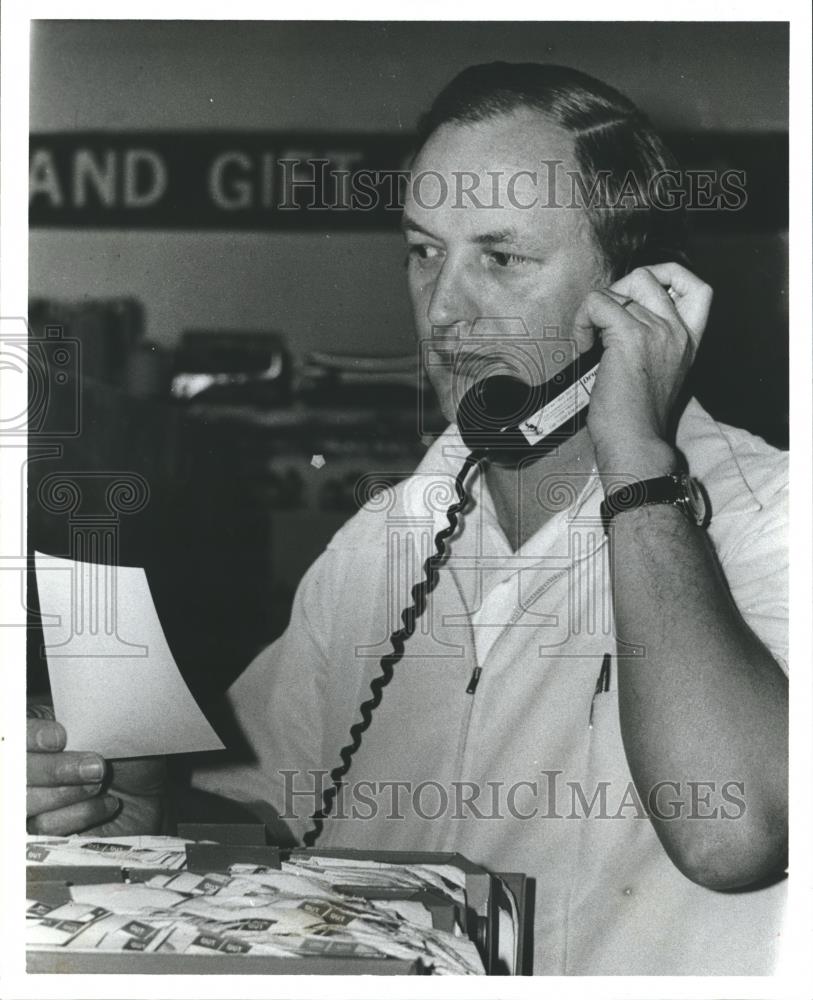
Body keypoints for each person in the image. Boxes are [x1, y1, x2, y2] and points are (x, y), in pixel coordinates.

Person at [27, 63, 788, 975]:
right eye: (425, 252)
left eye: (500, 259)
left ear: (635, 294)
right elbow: (280, 805)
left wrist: (637, 472)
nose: (444, 311)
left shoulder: (767, 516)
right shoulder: (391, 533)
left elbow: (733, 833)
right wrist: (148, 815)